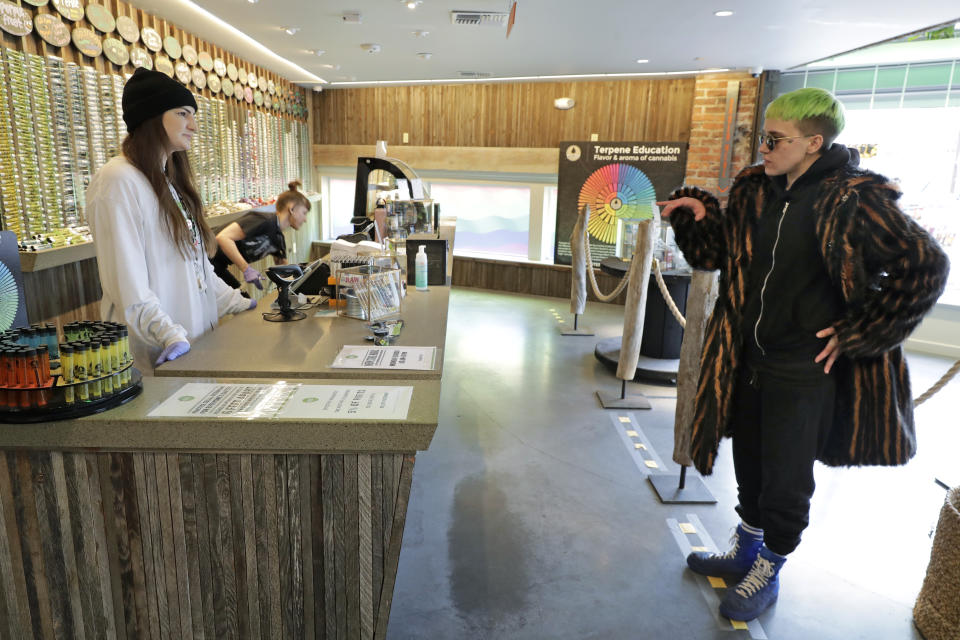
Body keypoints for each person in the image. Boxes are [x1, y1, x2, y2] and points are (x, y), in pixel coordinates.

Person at [656, 87, 949, 622]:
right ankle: (744, 548)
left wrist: (862, 331)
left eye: (774, 139)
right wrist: (696, 216)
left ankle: (770, 564)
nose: (762, 148)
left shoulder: (855, 198)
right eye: (760, 137)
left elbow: (926, 264)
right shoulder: (754, 190)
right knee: (749, 463)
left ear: (814, 142)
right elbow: (718, 255)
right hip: (747, 358)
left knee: (787, 477)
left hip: (804, 368)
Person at [86, 68, 256, 374]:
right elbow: (128, 285)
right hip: (157, 356)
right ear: (151, 117)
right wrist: (168, 335)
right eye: (182, 113)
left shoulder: (168, 183)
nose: (193, 125)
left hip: (195, 348)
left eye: (193, 114)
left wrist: (237, 302)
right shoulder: (118, 180)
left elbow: (196, 269)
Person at [210, 181, 311, 291]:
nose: (305, 219)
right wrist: (246, 269)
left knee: (242, 298)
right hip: (203, 258)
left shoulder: (278, 238)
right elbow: (223, 238)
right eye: (304, 213)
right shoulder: (263, 220)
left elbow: (284, 269)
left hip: (218, 265)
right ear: (291, 209)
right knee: (238, 302)